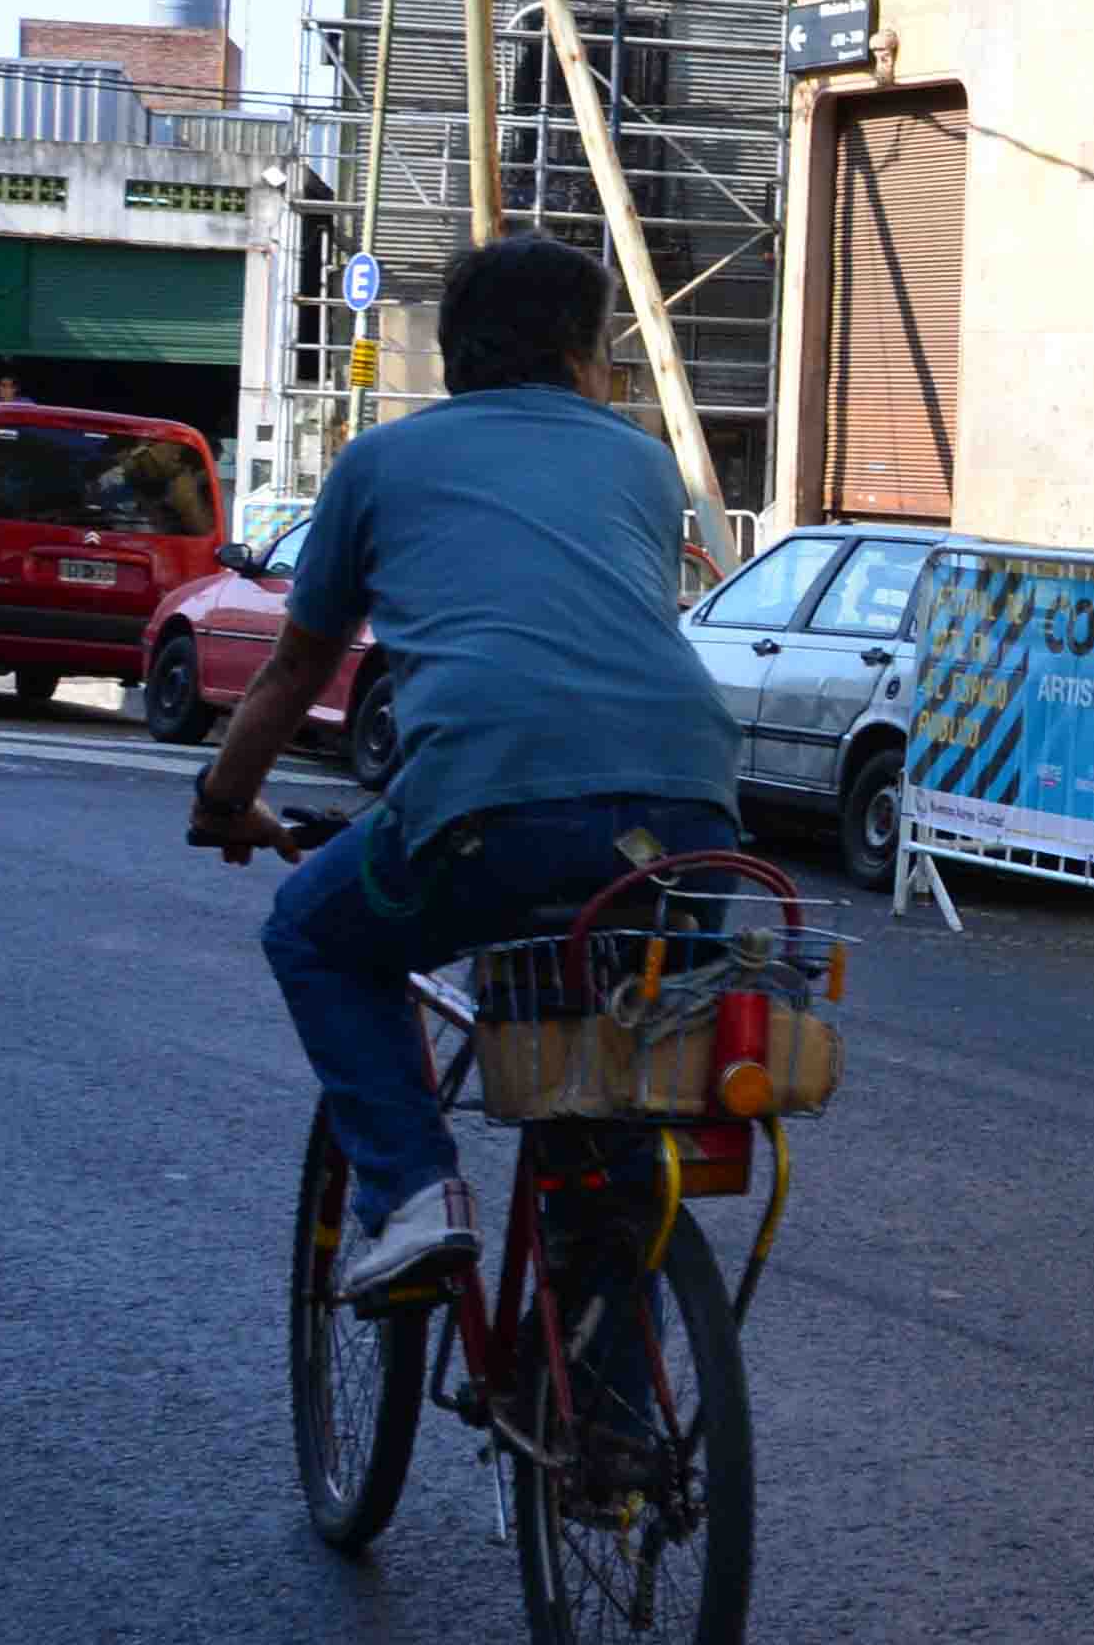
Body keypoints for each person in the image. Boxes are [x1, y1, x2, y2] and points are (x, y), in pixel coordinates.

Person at [189, 231, 745, 1303]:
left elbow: (298, 666)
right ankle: (612, 1392)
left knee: (312, 933)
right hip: (692, 812)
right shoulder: (641, 465)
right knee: (617, 1106)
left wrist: (223, 801)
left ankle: (413, 1194)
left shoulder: (379, 463)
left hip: (494, 807)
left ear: (453, 354)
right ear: (583, 357)